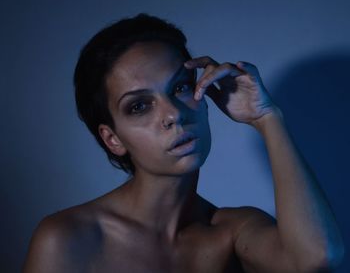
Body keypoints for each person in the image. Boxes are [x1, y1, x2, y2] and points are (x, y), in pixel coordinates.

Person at [23, 14, 344, 272]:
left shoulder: (233, 231)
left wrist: (266, 118)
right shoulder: (69, 238)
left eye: (179, 88)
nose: (173, 115)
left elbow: (317, 260)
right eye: (139, 106)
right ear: (113, 138)